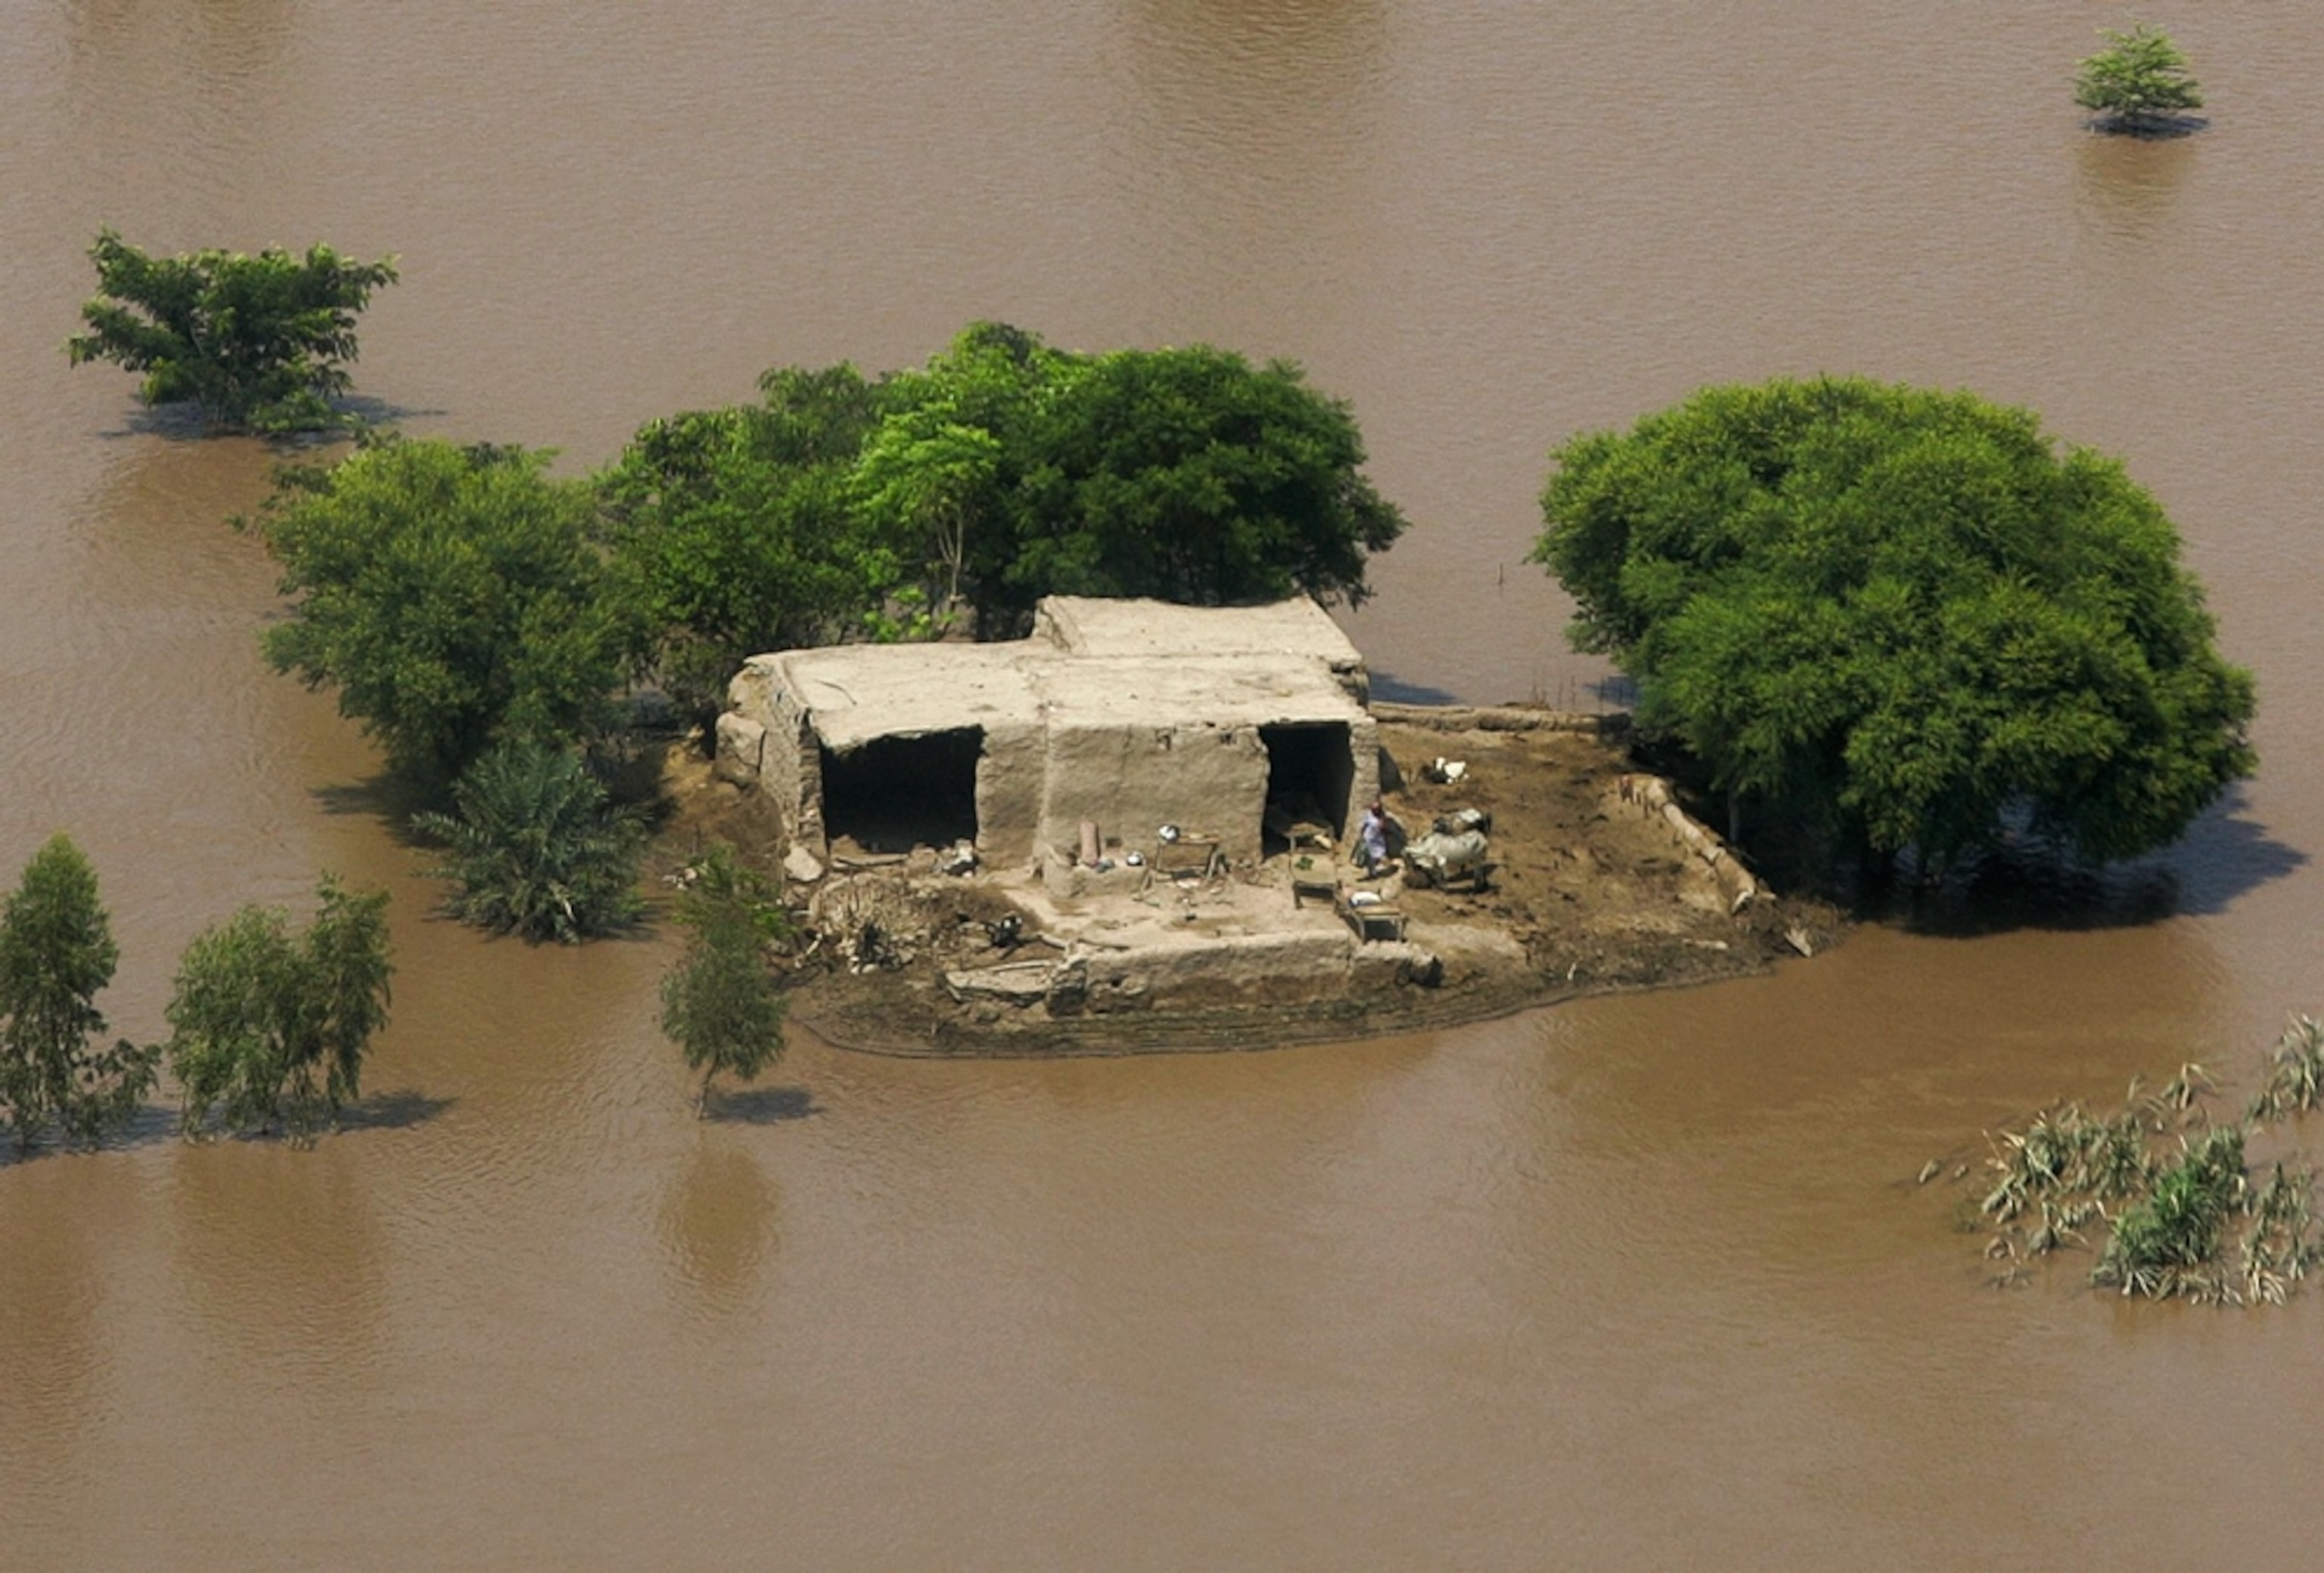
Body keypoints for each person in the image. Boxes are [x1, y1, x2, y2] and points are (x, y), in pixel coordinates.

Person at [1356, 798, 1403, 875]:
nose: (1374, 811)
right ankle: (1372, 871)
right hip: (1369, 839)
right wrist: (1361, 836)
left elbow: (1385, 826)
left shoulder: (1383, 816)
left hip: (1378, 840)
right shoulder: (1368, 815)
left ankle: (1374, 869)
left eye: (1376, 809)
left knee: (1378, 855)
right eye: (1373, 809)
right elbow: (1363, 826)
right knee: (1370, 856)